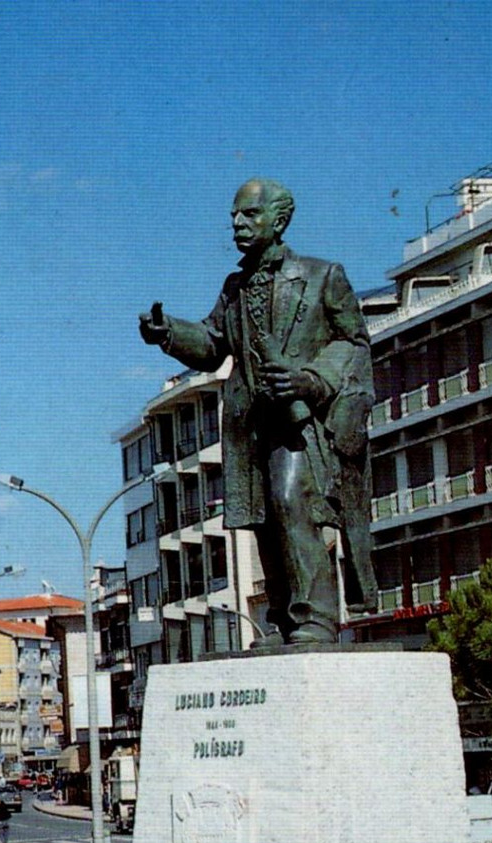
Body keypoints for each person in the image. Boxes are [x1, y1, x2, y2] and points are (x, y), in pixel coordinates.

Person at [138, 178, 377, 643]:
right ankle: (287, 619)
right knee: (265, 517)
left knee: (292, 503)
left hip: (301, 420)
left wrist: (311, 380)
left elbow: (354, 342)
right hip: (251, 425)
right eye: (234, 217)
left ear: (280, 220)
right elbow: (212, 344)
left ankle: (318, 618)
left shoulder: (322, 275)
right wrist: (168, 332)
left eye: (250, 215)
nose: (238, 225)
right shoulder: (236, 287)